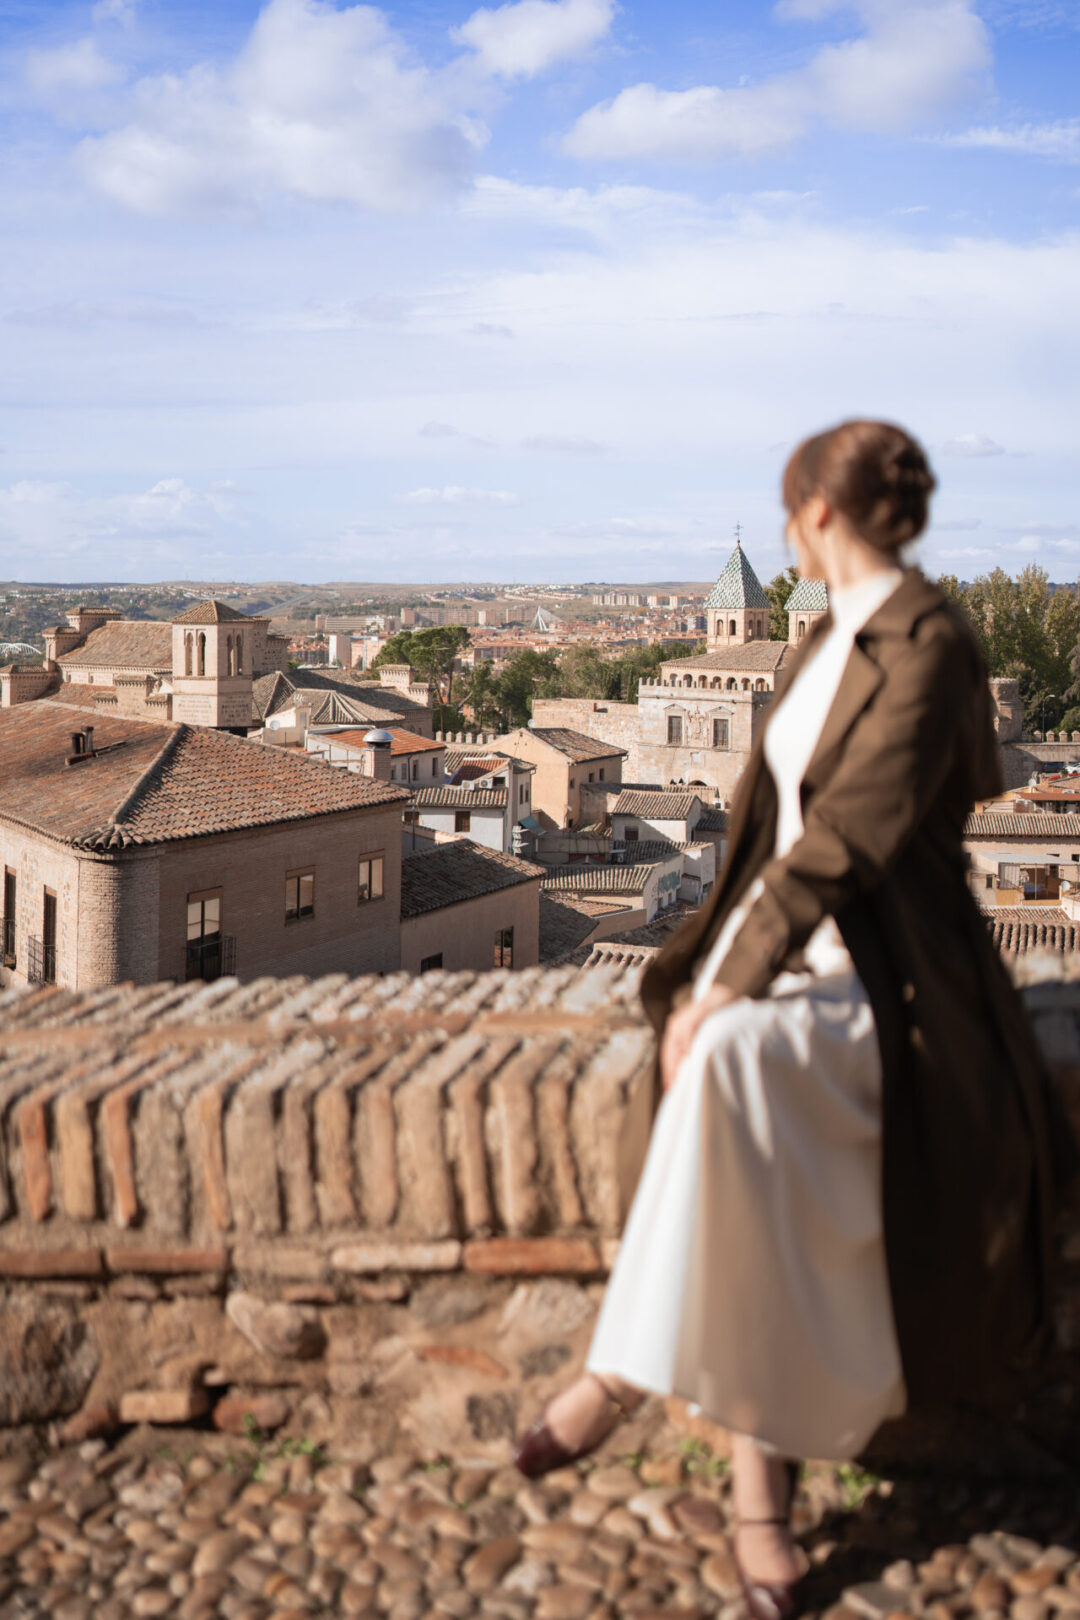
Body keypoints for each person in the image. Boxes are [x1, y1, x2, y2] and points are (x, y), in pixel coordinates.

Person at [515, 420, 1062, 1620]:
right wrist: (725, 965)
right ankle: (746, 1489)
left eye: (787, 513)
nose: (780, 535)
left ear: (821, 514)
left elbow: (846, 838)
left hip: (890, 967)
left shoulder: (931, 641)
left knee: (724, 1058)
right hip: (792, 953)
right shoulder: (816, 640)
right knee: (728, 1085)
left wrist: (722, 979)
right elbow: (772, 826)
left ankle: (619, 1373)